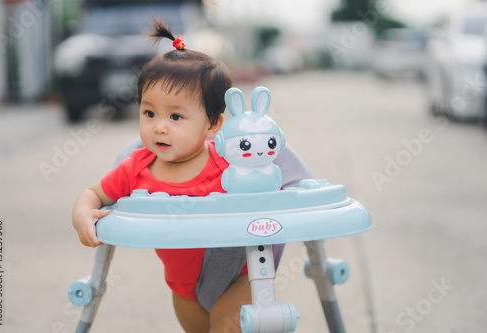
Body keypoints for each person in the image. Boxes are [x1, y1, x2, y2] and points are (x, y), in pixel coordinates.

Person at [72, 20, 312, 332]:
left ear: (213, 125)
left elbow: (270, 192)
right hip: (182, 289)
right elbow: (94, 193)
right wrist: (82, 214)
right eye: (149, 113)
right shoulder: (136, 168)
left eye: (175, 116)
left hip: (240, 275)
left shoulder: (231, 164)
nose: (159, 126)